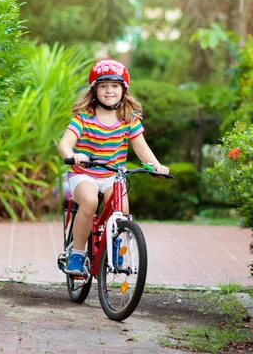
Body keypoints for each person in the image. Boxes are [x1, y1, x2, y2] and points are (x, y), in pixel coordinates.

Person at [57, 59, 169, 275]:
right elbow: (64, 144)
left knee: (121, 209)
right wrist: (73, 155)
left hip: (112, 175)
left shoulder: (129, 119)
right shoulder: (84, 118)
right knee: (89, 202)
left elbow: (141, 148)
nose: (110, 91)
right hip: (84, 173)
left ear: (123, 90)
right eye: (104, 86)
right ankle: (78, 255)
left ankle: (114, 244)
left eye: (115, 86)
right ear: (95, 90)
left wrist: (156, 166)